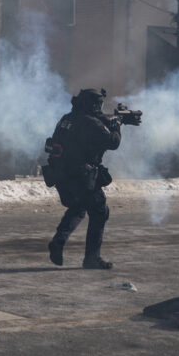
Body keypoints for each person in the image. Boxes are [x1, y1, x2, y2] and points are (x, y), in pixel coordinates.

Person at [43, 88, 133, 270]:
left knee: (79, 207)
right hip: (80, 176)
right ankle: (92, 258)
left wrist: (113, 119)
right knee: (99, 211)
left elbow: (87, 127)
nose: (100, 107)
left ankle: (58, 241)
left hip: (61, 174)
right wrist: (116, 124)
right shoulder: (90, 123)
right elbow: (113, 142)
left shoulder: (67, 119)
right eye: (98, 104)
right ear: (93, 105)